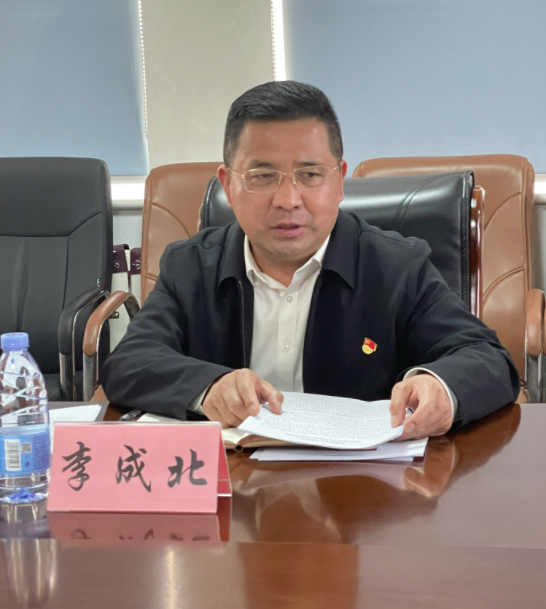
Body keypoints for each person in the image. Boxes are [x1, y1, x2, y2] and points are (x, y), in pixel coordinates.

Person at [100, 81, 519, 438]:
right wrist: (208, 387)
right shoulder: (190, 266)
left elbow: (489, 360)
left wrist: (440, 387)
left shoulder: (397, 267)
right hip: (235, 488)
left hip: (357, 489)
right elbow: (129, 363)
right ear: (228, 185)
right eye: (263, 176)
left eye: (311, 175)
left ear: (339, 181)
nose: (288, 199)